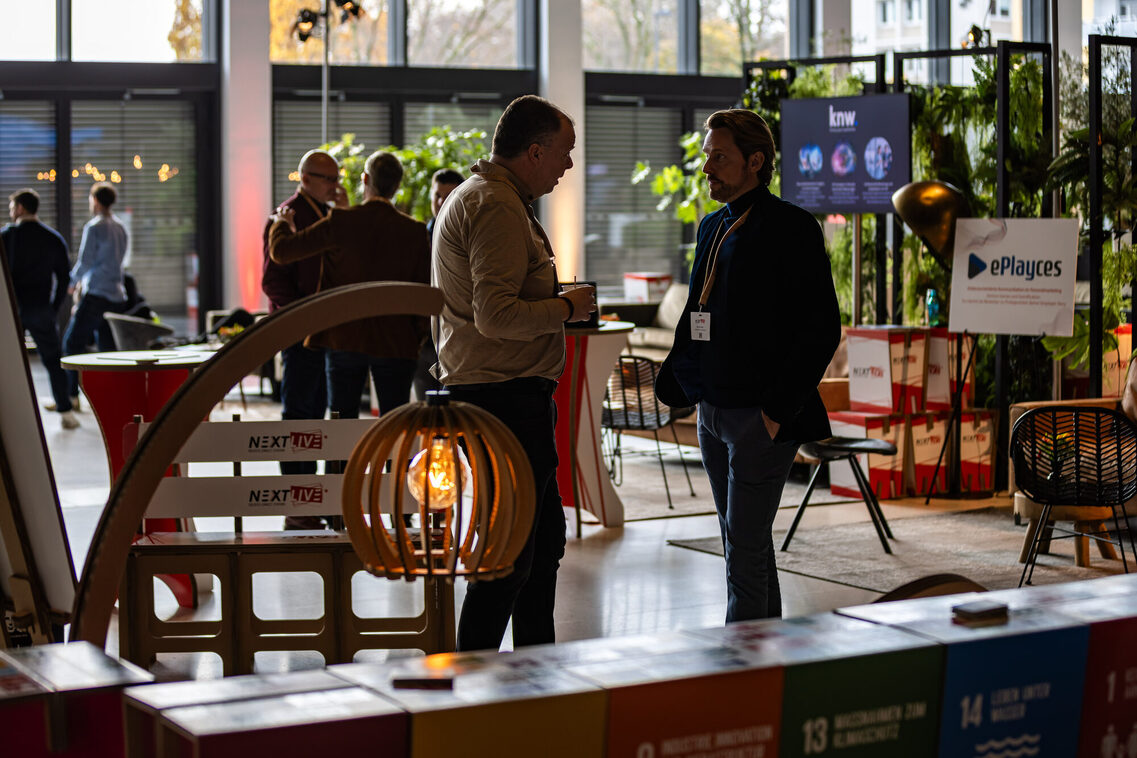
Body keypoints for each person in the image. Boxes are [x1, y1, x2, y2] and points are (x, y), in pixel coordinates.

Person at [656, 109, 841, 623]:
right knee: (745, 544)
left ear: (754, 161)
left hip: (761, 417)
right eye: (707, 155)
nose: (707, 167)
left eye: (719, 157)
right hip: (712, 411)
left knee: (742, 552)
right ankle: (769, 657)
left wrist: (777, 411)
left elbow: (821, 329)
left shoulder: (792, 228)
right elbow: (698, 311)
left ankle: (741, 670)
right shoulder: (712, 226)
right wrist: (687, 387)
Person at [433, 94, 596, 652]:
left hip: (504, 393)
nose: (568, 166)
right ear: (534, 151)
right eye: (564, 153)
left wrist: (553, 299)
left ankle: (535, 668)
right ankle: (476, 668)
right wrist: (568, 308)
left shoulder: (491, 197)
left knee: (541, 542)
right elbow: (496, 315)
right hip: (502, 398)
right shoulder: (496, 205)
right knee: (512, 549)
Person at [268, 150, 430, 420]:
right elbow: (424, 291)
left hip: (344, 337)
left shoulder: (342, 222)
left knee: (342, 424)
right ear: (397, 186)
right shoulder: (414, 231)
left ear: (365, 179)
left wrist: (282, 224)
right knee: (394, 426)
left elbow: (283, 252)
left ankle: (343, 465)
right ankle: (393, 465)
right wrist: (416, 337)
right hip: (397, 340)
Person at [262, 149, 346, 530]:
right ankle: (298, 502)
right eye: (328, 179)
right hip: (299, 332)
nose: (335, 186)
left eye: (336, 178)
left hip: (330, 332)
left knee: (322, 417)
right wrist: (303, 316)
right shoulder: (287, 217)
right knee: (298, 416)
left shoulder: (333, 216)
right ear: (305, 179)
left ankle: (322, 499)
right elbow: (272, 281)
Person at [2, 189, 77, 429]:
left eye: (12, 207)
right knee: (53, 360)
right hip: (41, 307)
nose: (11, 211)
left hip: (12, 309)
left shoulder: (6, 236)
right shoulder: (53, 238)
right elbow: (65, 279)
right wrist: (53, 308)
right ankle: (66, 412)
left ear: (21, 208)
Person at [63, 182, 129, 400]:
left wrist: (72, 282)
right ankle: (110, 397)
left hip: (97, 294)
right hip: (117, 295)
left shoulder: (94, 227)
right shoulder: (120, 227)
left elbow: (85, 261)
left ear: (97, 201)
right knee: (108, 351)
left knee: (72, 343)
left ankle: (71, 396)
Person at [414, 168, 465, 400]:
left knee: (456, 413)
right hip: (425, 338)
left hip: (456, 337)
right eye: (437, 195)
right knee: (426, 412)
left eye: (448, 195)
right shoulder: (418, 236)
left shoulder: (468, 237)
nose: (441, 202)